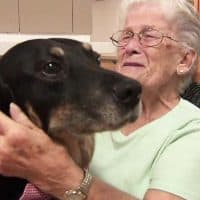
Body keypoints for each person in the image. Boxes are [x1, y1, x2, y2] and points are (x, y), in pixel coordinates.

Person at [0, 0, 200, 199]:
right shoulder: (82, 109)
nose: (130, 46)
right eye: (126, 35)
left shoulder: (190, 131)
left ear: (184, 60)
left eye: (149, 36)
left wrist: (61, 176)